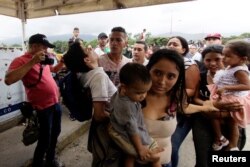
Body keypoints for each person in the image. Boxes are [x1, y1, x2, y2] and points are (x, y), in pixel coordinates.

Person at [138, 49, 220, 167]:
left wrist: (205, 108)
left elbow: (184, 107)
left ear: (178, 78)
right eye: (157, 73)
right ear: (148, 70)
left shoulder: (175, 97)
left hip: (165, 162)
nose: (162, 81)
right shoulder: (133, 96)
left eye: (170, 76)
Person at [4, 33, 65, 167]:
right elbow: (8, 80)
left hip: (55, 104)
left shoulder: (43, 60)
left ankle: (51, 160)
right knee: (45, 138)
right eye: (44, 47)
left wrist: (62, 63)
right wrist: (32, 61)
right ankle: (38, 163)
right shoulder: (21, 60)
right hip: (42, 107)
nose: (47, 51)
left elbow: (53, 70)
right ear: (34, 46)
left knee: (55, 133)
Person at [192, 44, 245, 166]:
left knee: (228, 159)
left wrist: (224, 111)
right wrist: (211, 105)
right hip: (204, 121)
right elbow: (195, 99)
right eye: (208, 60)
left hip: (231, 121)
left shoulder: (236, 76)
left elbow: (243, 99)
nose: (212, 63)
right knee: (203, 159)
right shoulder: (201, 76)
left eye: (217, 59)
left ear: (226, 58)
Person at [109, 63, 162, 167]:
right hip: (126, 134)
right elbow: (132, 130)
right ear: (124, 87)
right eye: (139, 93)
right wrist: (140, 148)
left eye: (146, 92)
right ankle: (153, 155)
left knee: (130, 156)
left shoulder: (121, 90)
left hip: (118, 128)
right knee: (155, 157)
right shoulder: (127, 107)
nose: (143, 96)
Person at [207, 40, 250, 151]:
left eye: (228, 56)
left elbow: (247, 86)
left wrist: (226, 88)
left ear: (243, 59)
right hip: (227, 95)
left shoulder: (240, 71)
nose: (223, 58)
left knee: (213, 112)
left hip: (234, 97)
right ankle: (225, 140)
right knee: (231, 122)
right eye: (223, 55)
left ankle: (230, 143)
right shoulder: (231, 66)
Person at [166, 36, 200, 167]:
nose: (171, 46)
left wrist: (168, 94)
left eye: (175, 44)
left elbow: (191, 89)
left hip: (182, 113)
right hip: (163, 110)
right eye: (169, 43)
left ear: (183, 49)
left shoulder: (189, 65)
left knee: (172, 147)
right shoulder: (163, 62)